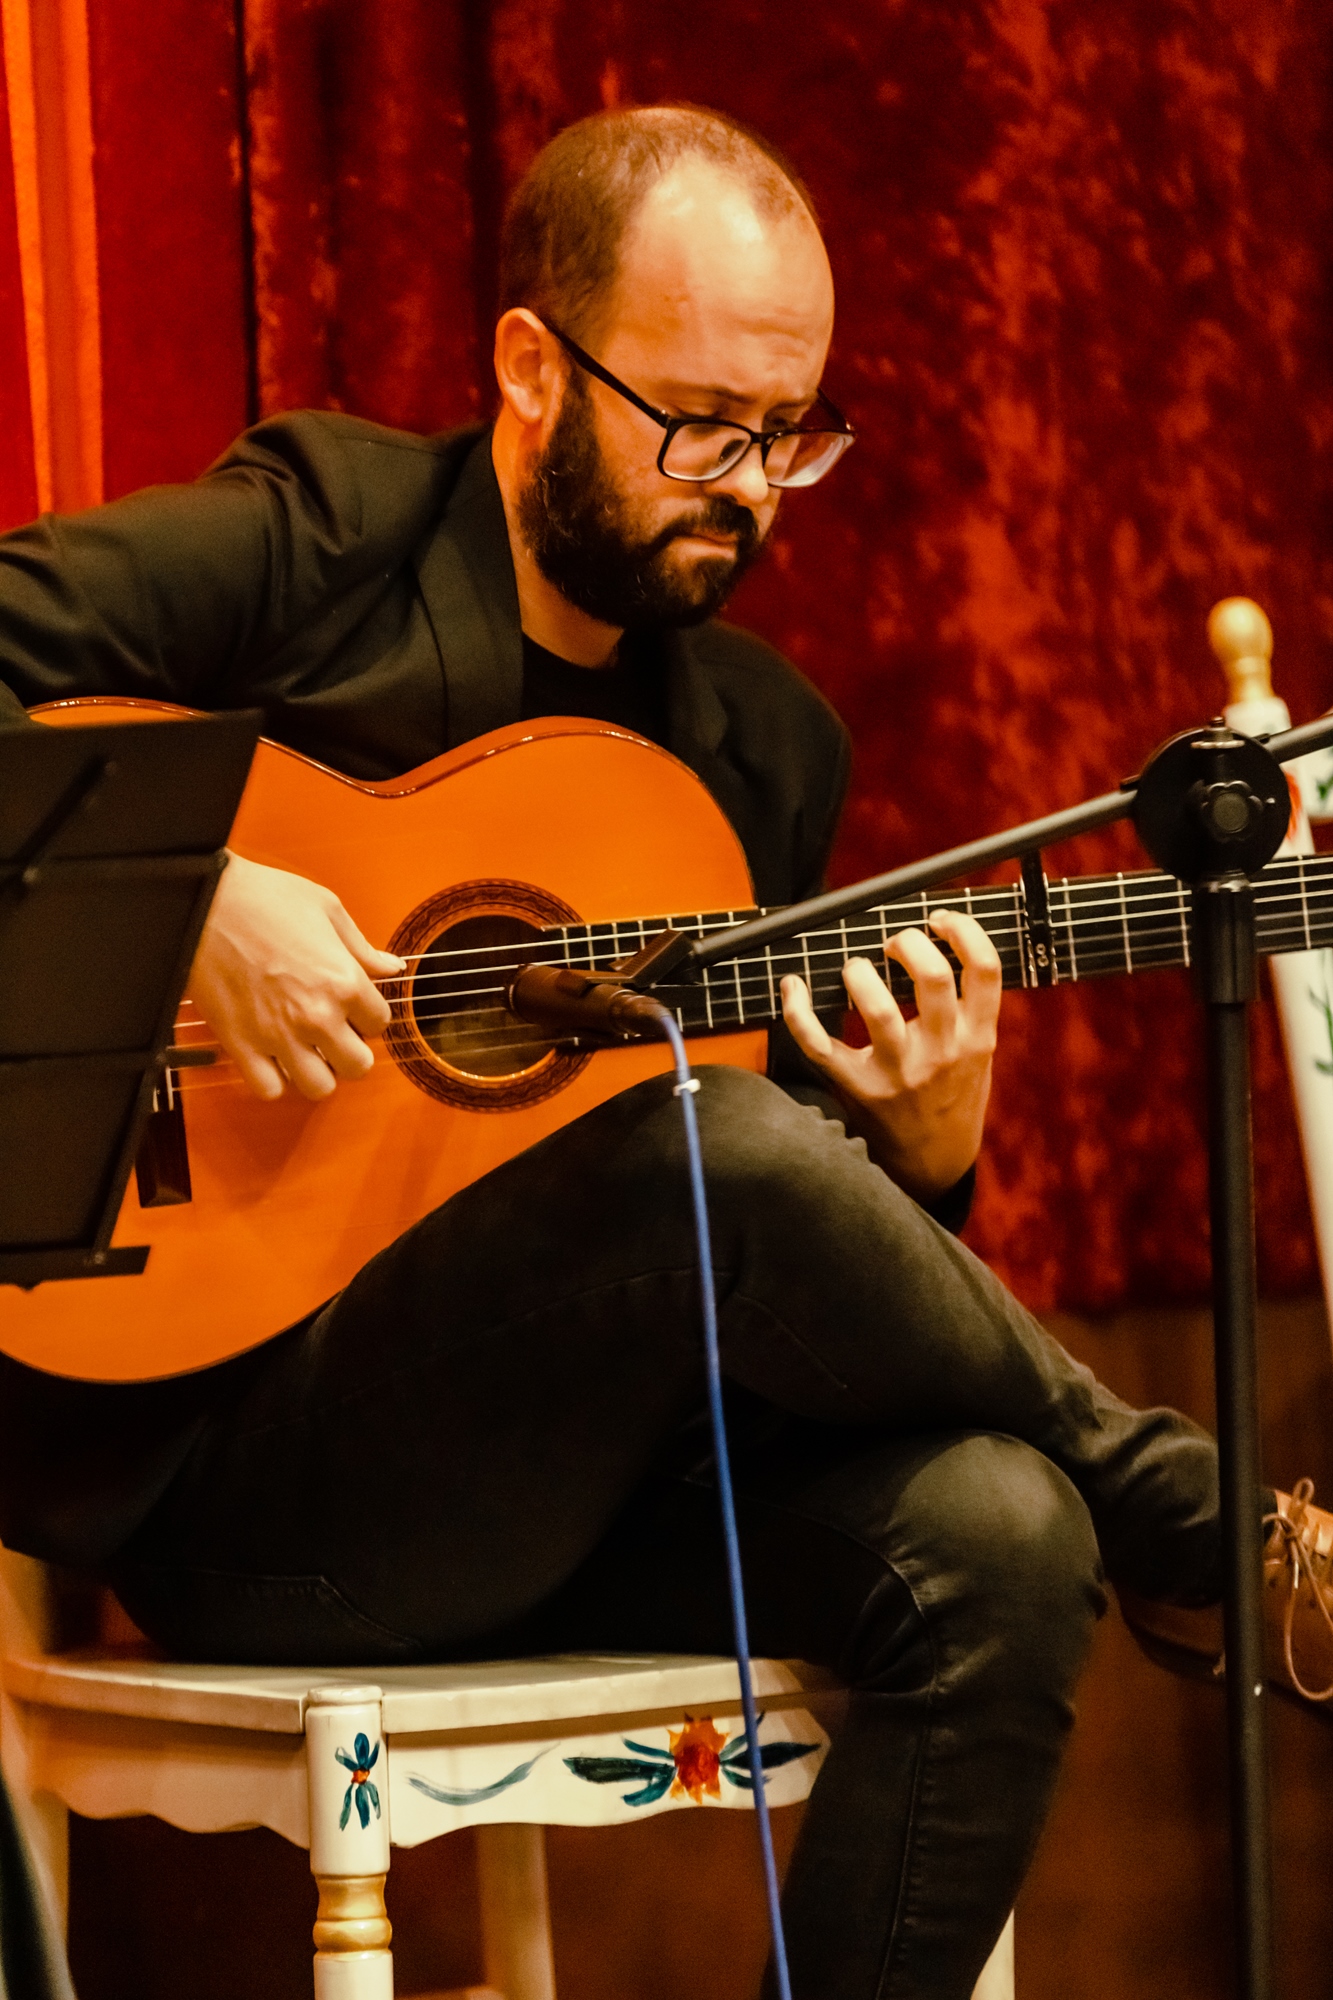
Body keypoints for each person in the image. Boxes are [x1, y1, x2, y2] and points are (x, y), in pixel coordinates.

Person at [0, 104, 1329, 2000]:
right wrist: (198, 887)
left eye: (792, 434)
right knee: (701, 1144)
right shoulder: (321, 541)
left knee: (1005, 1535)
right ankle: (1204, 1525)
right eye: (701, 424)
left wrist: (927, 1152)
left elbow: (775, 1286)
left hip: (580, 1481)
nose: (753, 487)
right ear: (531, 368)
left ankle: (1140, 1517)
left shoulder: (763, 751)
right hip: (248, 1482)